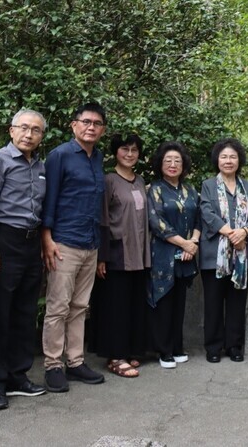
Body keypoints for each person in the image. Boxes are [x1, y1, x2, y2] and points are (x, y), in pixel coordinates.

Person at [0, 109, 49, 411]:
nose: (29, 134)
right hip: (4, 241)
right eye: (24, 128)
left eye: (36, 130)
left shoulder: (40, 166)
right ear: (11, 130)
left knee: (24, 312)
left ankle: (17, 376)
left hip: (31, 243)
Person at [41, 102, 107, 392]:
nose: (91, 127)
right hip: (63, 242)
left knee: (80, 306)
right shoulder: (60, 156)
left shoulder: (98, 157)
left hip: (90, 242)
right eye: (86, 122)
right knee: (58, 306)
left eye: (97, 123)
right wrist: (47, 239)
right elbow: (49, 199)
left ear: (102, 129)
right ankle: (53, 365)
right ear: (74, 124)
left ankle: (76, 362)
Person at [89, 134, 151, 378]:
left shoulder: (140, 181)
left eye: (134, 149)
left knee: (133, 305)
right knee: (114, 307)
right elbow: (102, 219)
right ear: (116, 152)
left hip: (140, 254)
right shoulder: (108, 180)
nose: (130, 154)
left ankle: (129, 349)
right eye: (124, 149)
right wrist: (102, 257)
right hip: (116, 254)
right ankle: (114, 355)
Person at [199, 138, 248, 363]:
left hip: (243, 254)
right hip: (213, 256)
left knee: (237, 302)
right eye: (224, 156)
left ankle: (234, 346)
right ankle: (213, 347)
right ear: (217, 159)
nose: (228, 161)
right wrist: (231, 233)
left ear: (239, 160)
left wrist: (244, 232)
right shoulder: (207, 185)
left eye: (232, 157)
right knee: (213, 302)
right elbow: (207, 212)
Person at [147, 141, 200, 369]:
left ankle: (178, 347)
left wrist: (193, 243)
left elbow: (198, 218)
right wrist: (184, 244)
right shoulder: (155, 189)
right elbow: (156, 222)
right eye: (168, 160)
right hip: (164, 253)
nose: (172, 164)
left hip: (186, 253)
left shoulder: (190, 189)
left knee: (180, 302)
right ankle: (164, 350)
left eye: (177, 160)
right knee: (164, 301)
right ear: (160, 163)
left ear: (183, 164)